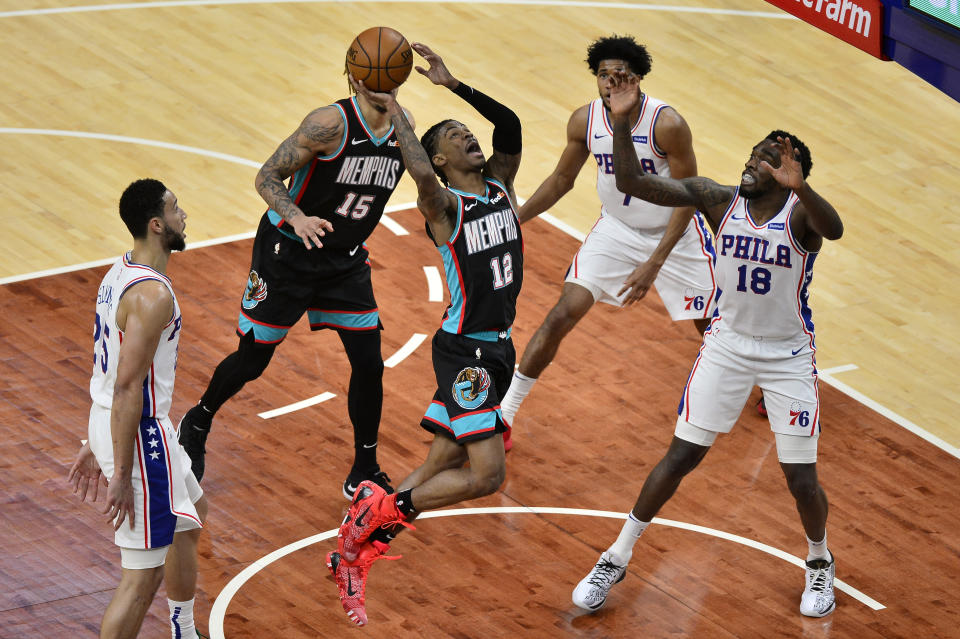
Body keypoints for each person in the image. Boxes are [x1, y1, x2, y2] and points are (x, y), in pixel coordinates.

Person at [571, 74, 844, 618]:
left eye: (766, 160)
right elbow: (632, 180)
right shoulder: (718, 199)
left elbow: (833, 230)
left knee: (800, 477)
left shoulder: (800, 218)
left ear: (788, 175)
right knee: (680, 457)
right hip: (726, 346)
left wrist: (801, 187)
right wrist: (623, 124)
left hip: (788, 354)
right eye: (753, 153)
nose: (751, 163)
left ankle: (819, 562)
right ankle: (616, 556)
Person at [324, 43, 523, 626]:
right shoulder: (444, 203)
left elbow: (508, 123)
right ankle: (377, 518)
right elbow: (415, 168)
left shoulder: (502, 184)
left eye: (468, 132)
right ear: (439, 157)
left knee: (441, 460)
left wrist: (454, 86)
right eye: (456, 136)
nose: (470, 137)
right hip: (468, 349)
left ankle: (355, 548)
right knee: (487, 475)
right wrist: (400, 112)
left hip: (497, 346)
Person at [176, 54, 415, 499]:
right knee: (253, 360)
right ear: (359, 79)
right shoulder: (329, 124)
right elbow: (267, 177)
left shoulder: (404, 124)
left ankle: (364, 465)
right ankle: (199, 417)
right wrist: (298, 217)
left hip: (343, 261)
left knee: (368, 362)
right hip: (289, 252)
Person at [499, 35, 719, 450]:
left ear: (637, 78)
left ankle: (768, 384)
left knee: (712, 326)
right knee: (562, 313)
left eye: (619, 75)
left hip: (677, 233)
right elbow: (563, 180)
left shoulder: (667, 124)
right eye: (603, 75)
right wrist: (517, 218)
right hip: (616, 230)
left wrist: (655, 263)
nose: (610, 82)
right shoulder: (585, 120)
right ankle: (505, 413)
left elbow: (689, 196)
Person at [68, 178, 208, 638]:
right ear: (156, 225)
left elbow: (112, 375)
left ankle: (183, 628)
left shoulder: (119, 272)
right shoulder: (153, 295)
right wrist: (122, 472)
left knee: (192, 515)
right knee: (141, 577)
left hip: (127, 422)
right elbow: (128, 387)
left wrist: (96, 439)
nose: (182, 213)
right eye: (174, 208)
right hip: (138, 434)